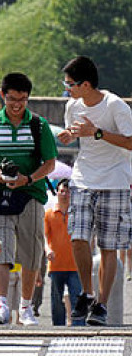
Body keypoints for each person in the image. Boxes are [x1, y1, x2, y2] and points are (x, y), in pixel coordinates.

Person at [0, 72, 57, 326]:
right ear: (3, 96)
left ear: (28, 98)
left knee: (31, 253)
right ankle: (2, 305)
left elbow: (50, 163)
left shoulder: (39, 125)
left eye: (22, 99)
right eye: (11, 99)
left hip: (30, 194)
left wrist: (28, 179)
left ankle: (26, 307)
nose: (17, 104)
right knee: (1, 248)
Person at [57, 55, 132, 326]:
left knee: (108, 246)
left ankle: (100, 304)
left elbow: (130, 142)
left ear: (86, 84)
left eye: (70, 85)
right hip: (83, 177)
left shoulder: (116, 107)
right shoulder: (72, 106)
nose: (68, 90)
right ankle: (86, 294)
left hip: (114, 180)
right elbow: (77, 133)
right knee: (78, 237)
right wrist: (70, 135)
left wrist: (97, 133)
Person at [44, 179, 82, 326]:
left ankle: (79, 328)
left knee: (77, 299)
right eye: (62, 191)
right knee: (56, 301)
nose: (65, 194)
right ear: (57, 193)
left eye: (68, 191)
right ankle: (58, 328)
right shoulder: (49, 214)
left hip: (75, 265)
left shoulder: (77, 214)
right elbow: (45, 237)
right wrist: (48, 250)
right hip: (56, 265)